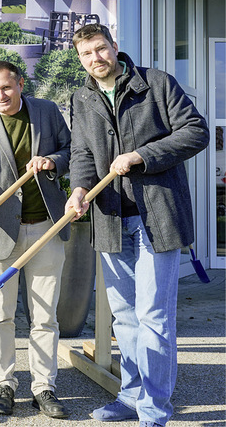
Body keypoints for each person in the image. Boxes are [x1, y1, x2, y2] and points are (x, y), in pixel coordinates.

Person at [66, 24, 208, 427]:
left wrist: (141, 155)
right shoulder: (81, 98)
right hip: (110, 219)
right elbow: (81, 153)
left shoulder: (156, 84)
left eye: (100, 49)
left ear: (115, 47)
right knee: (124, 318)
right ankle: (130, 397)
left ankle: (154, 411)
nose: (95, 59)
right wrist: (78, 190)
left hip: (156, 219)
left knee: (154, 318)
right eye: (86, 54)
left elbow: (196, 131)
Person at [0, 60, 72, 418]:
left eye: (6, 87)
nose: (0, 96)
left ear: (20, 84)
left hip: (46, 229)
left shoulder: (48, 112)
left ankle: (44, 387)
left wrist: (52, 161)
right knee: (0, 314)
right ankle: (4, 384)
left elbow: (72, 151)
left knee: (44, 316)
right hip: (0, 233)